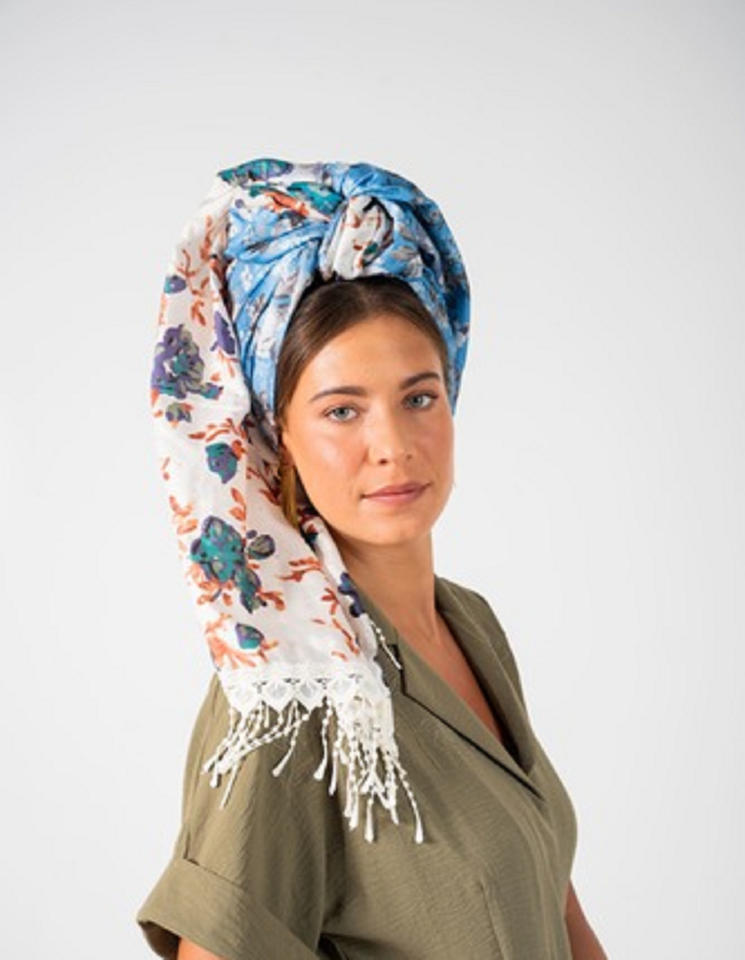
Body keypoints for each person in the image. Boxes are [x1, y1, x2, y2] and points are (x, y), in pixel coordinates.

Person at [138, 159, 608, 960]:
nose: (392, 446)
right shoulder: (289, 690)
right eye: (341, 411)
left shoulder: (470, 625)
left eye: (418, 397)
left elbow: (550, 899)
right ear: (280, 438)